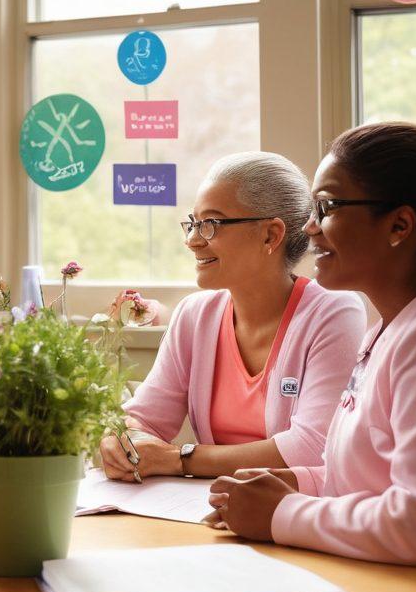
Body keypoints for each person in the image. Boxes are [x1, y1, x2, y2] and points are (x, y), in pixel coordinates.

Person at [208, 123, 416, 565]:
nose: (309, 228)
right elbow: (368, 481)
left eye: (327, 206)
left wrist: (284, 512)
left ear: (399, 225)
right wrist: (295, 483)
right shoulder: (389, 330)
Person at [100, 152, 365, 481]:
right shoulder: (194, 315)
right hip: (206, 511)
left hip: (287, 517)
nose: (192, 240)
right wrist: (122, 440)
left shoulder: (334, 313)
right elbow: (144, 419)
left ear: (270, 235)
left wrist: (180, 459)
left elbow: (312, 446)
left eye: (211, 224)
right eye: (193, 223)